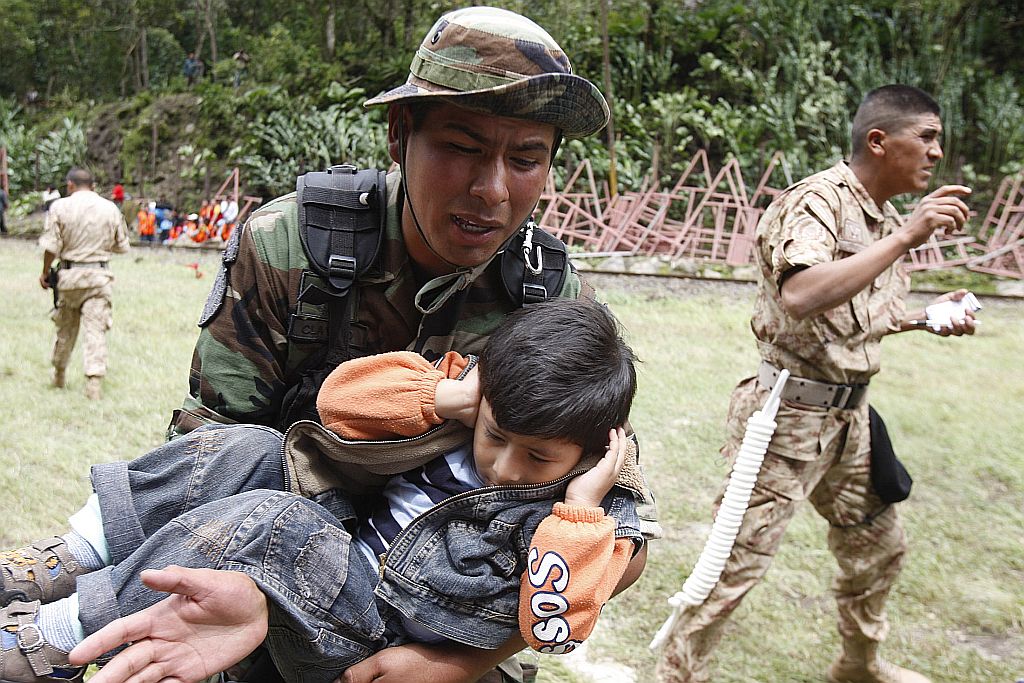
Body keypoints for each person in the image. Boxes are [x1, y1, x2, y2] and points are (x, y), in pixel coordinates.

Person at [154, 7, 657, 683]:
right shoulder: (290, 245)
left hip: (440, 616)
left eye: (526, 158)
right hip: (267, 569)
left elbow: (624, 533)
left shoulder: (550, 293)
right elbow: (207, 453)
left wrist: (457, 660)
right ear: (400, 135)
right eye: (463, 147)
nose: (493, 189)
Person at [0, 297, 645, 683]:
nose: (504, 466)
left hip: (378, 631)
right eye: (495, 434)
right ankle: (69, 556)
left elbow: (556, 628)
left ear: (593, 453)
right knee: (249, 448)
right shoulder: (472, 395)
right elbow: (339, 403)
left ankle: (53, 638)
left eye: (537, 456)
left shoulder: (582, 516)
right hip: (342, 556)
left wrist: (582, 512)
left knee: (278, 526)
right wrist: (449, 397)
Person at [656, 84, 975, 683]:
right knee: (733, 568)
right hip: (786, 420)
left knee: (879, 547)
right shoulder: (817, 203)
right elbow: (801, 295)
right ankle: (675, 677)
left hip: (850, 423)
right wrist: (906, 237)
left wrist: (926, 316)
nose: (937, 152)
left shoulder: (878, 217)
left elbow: (848, 322)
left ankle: (859, 666)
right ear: (879, 142)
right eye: (926, 137)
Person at [38, 167, 130, 400]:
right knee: (95, 331)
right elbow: (122, 246)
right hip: (98, 278)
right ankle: (94, 386)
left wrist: (46, 272)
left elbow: (51, 247)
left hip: (69, 278)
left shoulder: (59, 207)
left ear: (70, 185)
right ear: (93, 186)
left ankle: (59, 374)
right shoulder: (110, 208)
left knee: (65, 329)